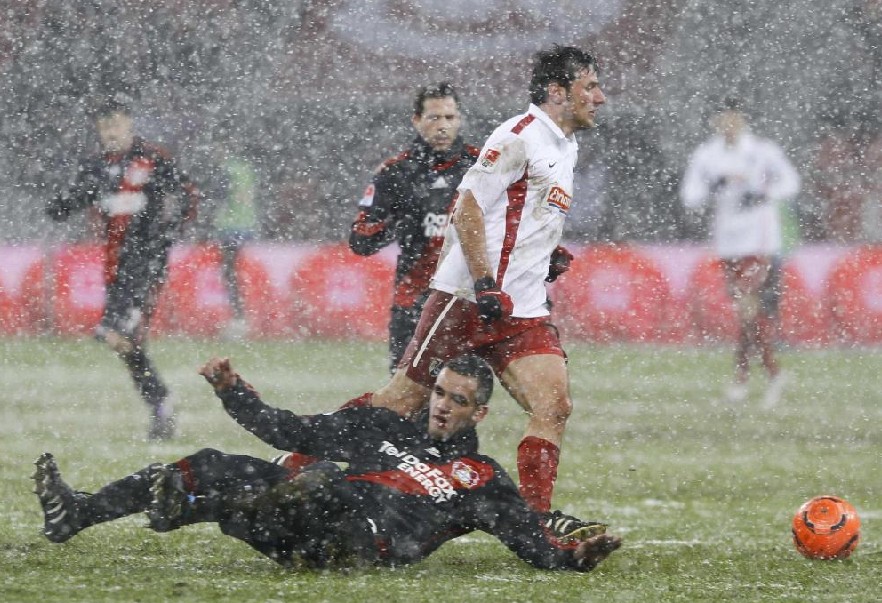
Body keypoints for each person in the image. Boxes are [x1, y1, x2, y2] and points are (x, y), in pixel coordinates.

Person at [33, 355, 621, 572]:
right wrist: (234, 392)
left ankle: (191, 503)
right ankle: (77, 512)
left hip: (359, 543)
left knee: (322, 491)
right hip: (306, 510)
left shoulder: (483, 479)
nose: (441, 406)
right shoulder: (381, 421)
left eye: (457, 400)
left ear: (481, 413)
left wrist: (576, 558)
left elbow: (534, 546)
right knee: (218, 463)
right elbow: (290, 429)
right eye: (439, 392)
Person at [366, 45, 599, 528]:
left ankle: (535, 524)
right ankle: (303, 460)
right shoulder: (519, 136)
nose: (599, 96)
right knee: (399, 405)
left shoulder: (566, 144)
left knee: (553, 406)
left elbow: (519, 216)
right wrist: (485, 281)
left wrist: (545, 252)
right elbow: (468, 207)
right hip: (470, 298)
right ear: (559, 92)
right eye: (589, 87)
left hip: (524, 308)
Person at [46, 97, 199, 439]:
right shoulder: (96, 167)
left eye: (116, 124)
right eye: (104, 127)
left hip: (146, 265)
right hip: (115, 266)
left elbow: (188, 195)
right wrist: (59, 205)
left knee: (116, 334)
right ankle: (161, 403)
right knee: (123, 341)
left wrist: (167, 235)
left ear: (129, 124)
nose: (110, 132)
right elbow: (74, 200)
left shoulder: (153, 158)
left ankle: (160, 403)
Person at [349, 82, 480, 372]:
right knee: (407, 403)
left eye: (449, 118)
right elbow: (359, 240)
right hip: (414, 303)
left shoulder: (481, 165)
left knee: (463, 400)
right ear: (417, 121)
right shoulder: (394, 173)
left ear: (459, 119)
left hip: (467, 300)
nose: (442, 126)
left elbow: (513, 223)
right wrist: (400, 220)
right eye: (434, 118)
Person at [680, 98, 800, 408]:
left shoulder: (762, 151)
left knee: (749, 309)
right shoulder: (707, 155)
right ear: (715, 123)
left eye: (734, 119)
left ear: (744, 120)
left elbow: (790, 182)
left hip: (760, 239)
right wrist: (716, 184)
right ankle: (761, 376)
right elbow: (690, 196)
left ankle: (755, 377)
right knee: (747, 313)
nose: (729, 125)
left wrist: (763, 193)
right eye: (723, 119)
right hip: (728, 240)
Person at [210, 149, 260, 340]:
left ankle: (239, 319)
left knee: (229, 270)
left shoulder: (227, 169)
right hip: (246, 222)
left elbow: (219, 196)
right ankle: (240, 318)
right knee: (233, 270)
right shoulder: (245, 168)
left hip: (230, 225)